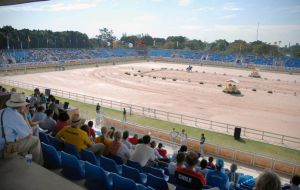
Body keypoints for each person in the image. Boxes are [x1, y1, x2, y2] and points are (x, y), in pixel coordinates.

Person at [0, 93, 43, 165]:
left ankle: (28, 161)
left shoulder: (2, 111)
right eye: (24, 105)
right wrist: (25, 116)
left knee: (24, 141)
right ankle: (38, 164)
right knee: (35, 140)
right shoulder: (16, 116)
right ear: (21, 106)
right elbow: (29, 134)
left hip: (3, 142)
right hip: (5, 148)